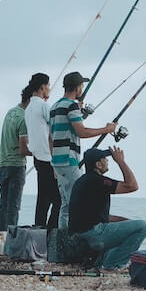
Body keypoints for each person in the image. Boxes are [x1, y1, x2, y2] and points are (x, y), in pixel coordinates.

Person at [50, 71, 117, 229]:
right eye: (82, 85)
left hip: (57, 161)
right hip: (69, 159)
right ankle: (73, 239)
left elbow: (51, 136)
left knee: (66, 204)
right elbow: (82, 132)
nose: (82, 89)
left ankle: (63, 239)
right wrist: (106, 130)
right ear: (78, 88)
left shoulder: (55, 106)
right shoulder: (71, 106)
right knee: (77, 201)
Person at [68, 146, 146, 270]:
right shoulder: (98, 181)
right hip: (92, 235)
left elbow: (97, 216)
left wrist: (125, 221)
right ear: (98, 164)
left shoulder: (82, 181)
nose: (108, 161)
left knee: (129, 225)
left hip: (79, 238)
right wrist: (121, 161)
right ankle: (114, 264)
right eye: (105, 159)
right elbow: (132, 186)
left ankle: (102, 261)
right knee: (142, 226)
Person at [22, 72, 59, 228]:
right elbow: (54, 131)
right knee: (59, 200)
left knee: (43, 200)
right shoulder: (44, 106)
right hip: (48, 158)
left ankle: (39, 231)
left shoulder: (29, 107)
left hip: (37, 158)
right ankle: (51, 233)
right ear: (43, 87)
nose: (49, 89)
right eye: (48, 86)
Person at [0, 84, 32, 231]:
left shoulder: (10, 112)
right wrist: (39, 152)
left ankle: (0, 237)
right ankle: (11, 239)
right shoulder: (24, 118)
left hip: (2, 163)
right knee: (14, 206)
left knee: (4, 204)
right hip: (16, 165)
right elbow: (23, 149)